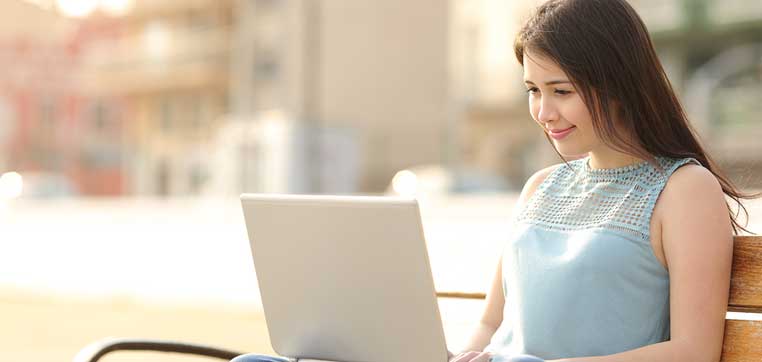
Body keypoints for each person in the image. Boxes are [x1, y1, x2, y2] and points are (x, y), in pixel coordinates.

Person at [233, 1, 757, 361]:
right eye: (533, 89)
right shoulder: (541, 188)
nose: (543, 111)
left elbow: (693, 351)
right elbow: (489, 326)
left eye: (562, 90)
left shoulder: (683, 190)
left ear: (617, 84)